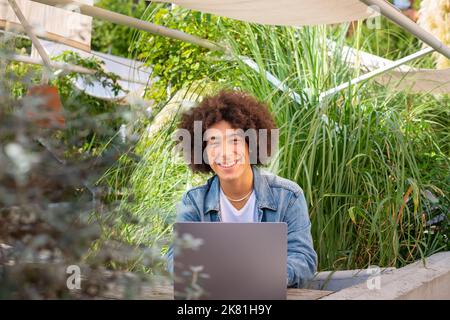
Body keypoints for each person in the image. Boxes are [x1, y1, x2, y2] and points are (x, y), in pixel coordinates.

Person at [165, 89, 317, 288]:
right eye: (213, 142)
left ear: (251, 145)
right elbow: (176, 259)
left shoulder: (288, 196)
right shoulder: (193, 202)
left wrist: (262, 276)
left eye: (234, 140)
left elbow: (303, 261)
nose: (225, 152)